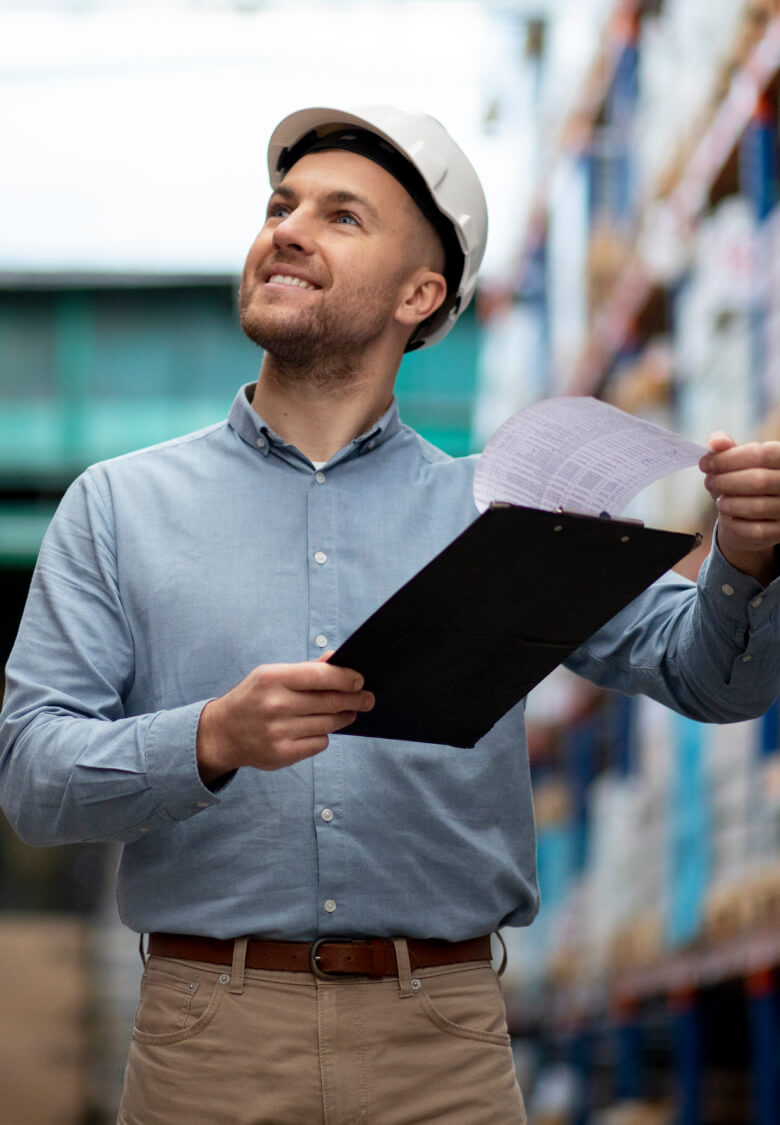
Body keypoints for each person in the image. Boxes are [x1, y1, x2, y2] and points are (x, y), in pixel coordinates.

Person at [1, 104, 780, 1125]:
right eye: (280, 206)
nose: (287, 229)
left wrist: (747, 562)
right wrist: (208, 737)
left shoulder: (505, 519)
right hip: (209, 1044)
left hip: (443, 1049)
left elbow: (711, 679)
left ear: (424, 294)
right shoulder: (120, 507)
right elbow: (33, 778)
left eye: (340, 217)